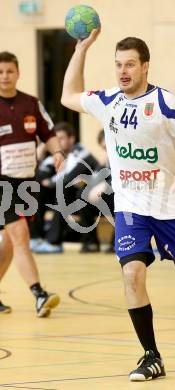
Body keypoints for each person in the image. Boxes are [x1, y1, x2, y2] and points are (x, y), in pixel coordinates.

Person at [61, 31, 175, 381]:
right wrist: (82, 48)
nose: (122, 71)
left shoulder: (167, 104)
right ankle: (151, 356)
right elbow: (68, 95)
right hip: (131, 208)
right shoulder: (109, 101)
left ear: (145, 66)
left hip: (171, 209)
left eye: (130, 64)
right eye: (118, 65)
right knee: (132, 272)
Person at [0, 51, 63, 316]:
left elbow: (48, 132)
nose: (5, 77)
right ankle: (38, 293)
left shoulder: (31, 103)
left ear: (18, 73)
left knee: (10, 242)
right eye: (0, 72)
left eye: (9, 71)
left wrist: (57, 151)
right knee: (19, 235)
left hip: (25, 182)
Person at [33, 121, 102, 253]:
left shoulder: (82, 153)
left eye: (61, 138)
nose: (58, 142)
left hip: (89, 195)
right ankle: (37, 238)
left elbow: (70, 177)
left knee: (62, 190)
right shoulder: (56, 156)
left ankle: (54, 242)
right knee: (37, 190)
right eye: (55, 139)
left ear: (71, 138)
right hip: (68, 193)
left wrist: (51, 182)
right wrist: (42, 149)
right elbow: (39, 176)